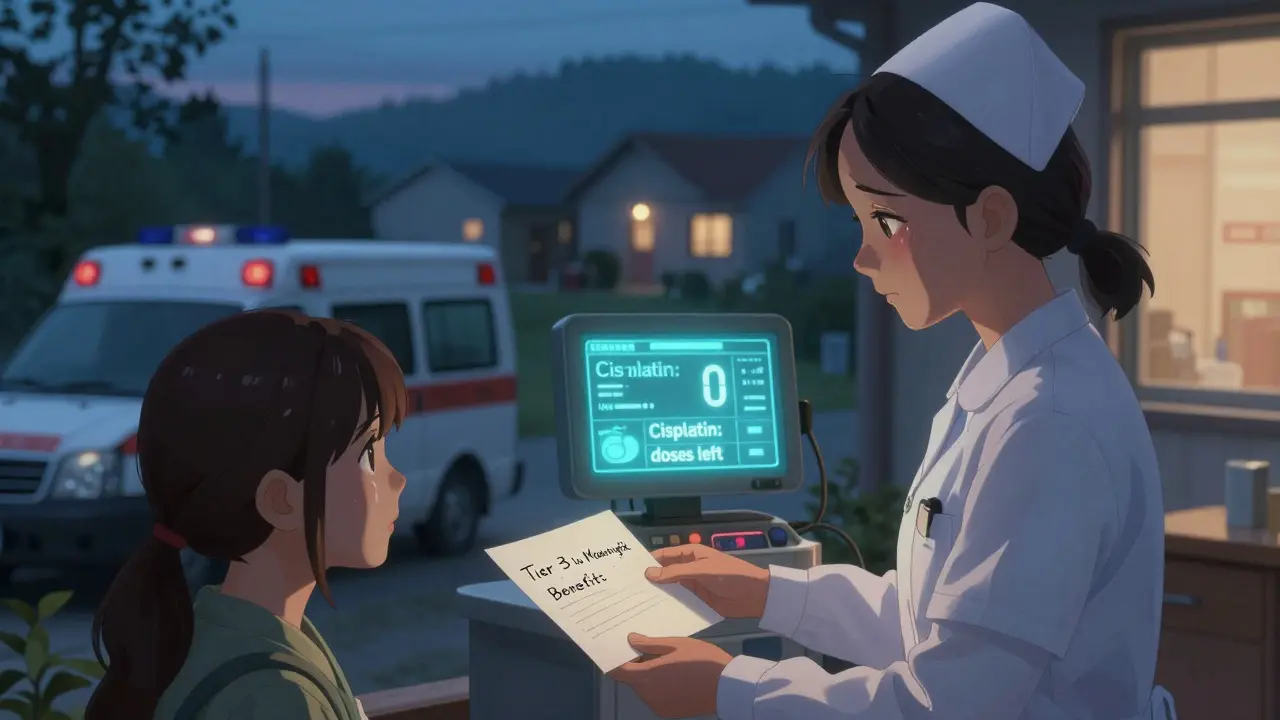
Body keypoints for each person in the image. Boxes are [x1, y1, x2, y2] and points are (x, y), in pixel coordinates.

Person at [608, 3, 1176, 719]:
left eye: (887, 221)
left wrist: (731, 690)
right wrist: (767, 591)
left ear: (991, 217)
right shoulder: (1009, 382)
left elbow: (948, 702)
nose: (863, 257)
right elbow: (940, 627)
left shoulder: (1048, 423)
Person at [84, 310, 408, 720]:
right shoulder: (278, 697)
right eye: (367, 453)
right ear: (281, 499)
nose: (397, 478)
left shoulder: (200, 631)